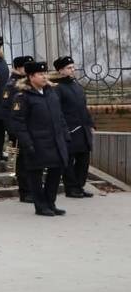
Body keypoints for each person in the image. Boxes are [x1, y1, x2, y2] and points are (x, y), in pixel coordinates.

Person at [10, 61, 69, 217]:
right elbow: (18, 123)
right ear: (31, 76)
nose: (44, 77)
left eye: (45, 74)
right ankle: (41, 205)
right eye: (40, 74)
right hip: (36, 142)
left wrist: (65, 135)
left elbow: (60, 116)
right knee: (35, 175)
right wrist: (26, 143)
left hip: (55, 141)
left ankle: (50, 202)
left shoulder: (51, 92)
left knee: (56, 172)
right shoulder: (23, 96)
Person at [52, 56, 95, 198]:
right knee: (69, 161)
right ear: (60, 71)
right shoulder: (57, 88)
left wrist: (90, 124)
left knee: (84, 159)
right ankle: (71, 188)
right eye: (69, 68)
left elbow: (83, 107)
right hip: (70, 130)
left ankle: (79, 186)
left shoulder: (76, 86)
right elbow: (57, 111)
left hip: (82, 129)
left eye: (73, 67)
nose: (73, 70)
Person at [2, 55, 34, 202]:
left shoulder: (29, 84)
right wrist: (13, 131)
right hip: (19, 130)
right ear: (18, 68)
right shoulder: (12, 85)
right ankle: (25, 191)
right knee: (22, 162)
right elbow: (8, 111)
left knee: (31, 161)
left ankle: (32, 189)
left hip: (31, 129)